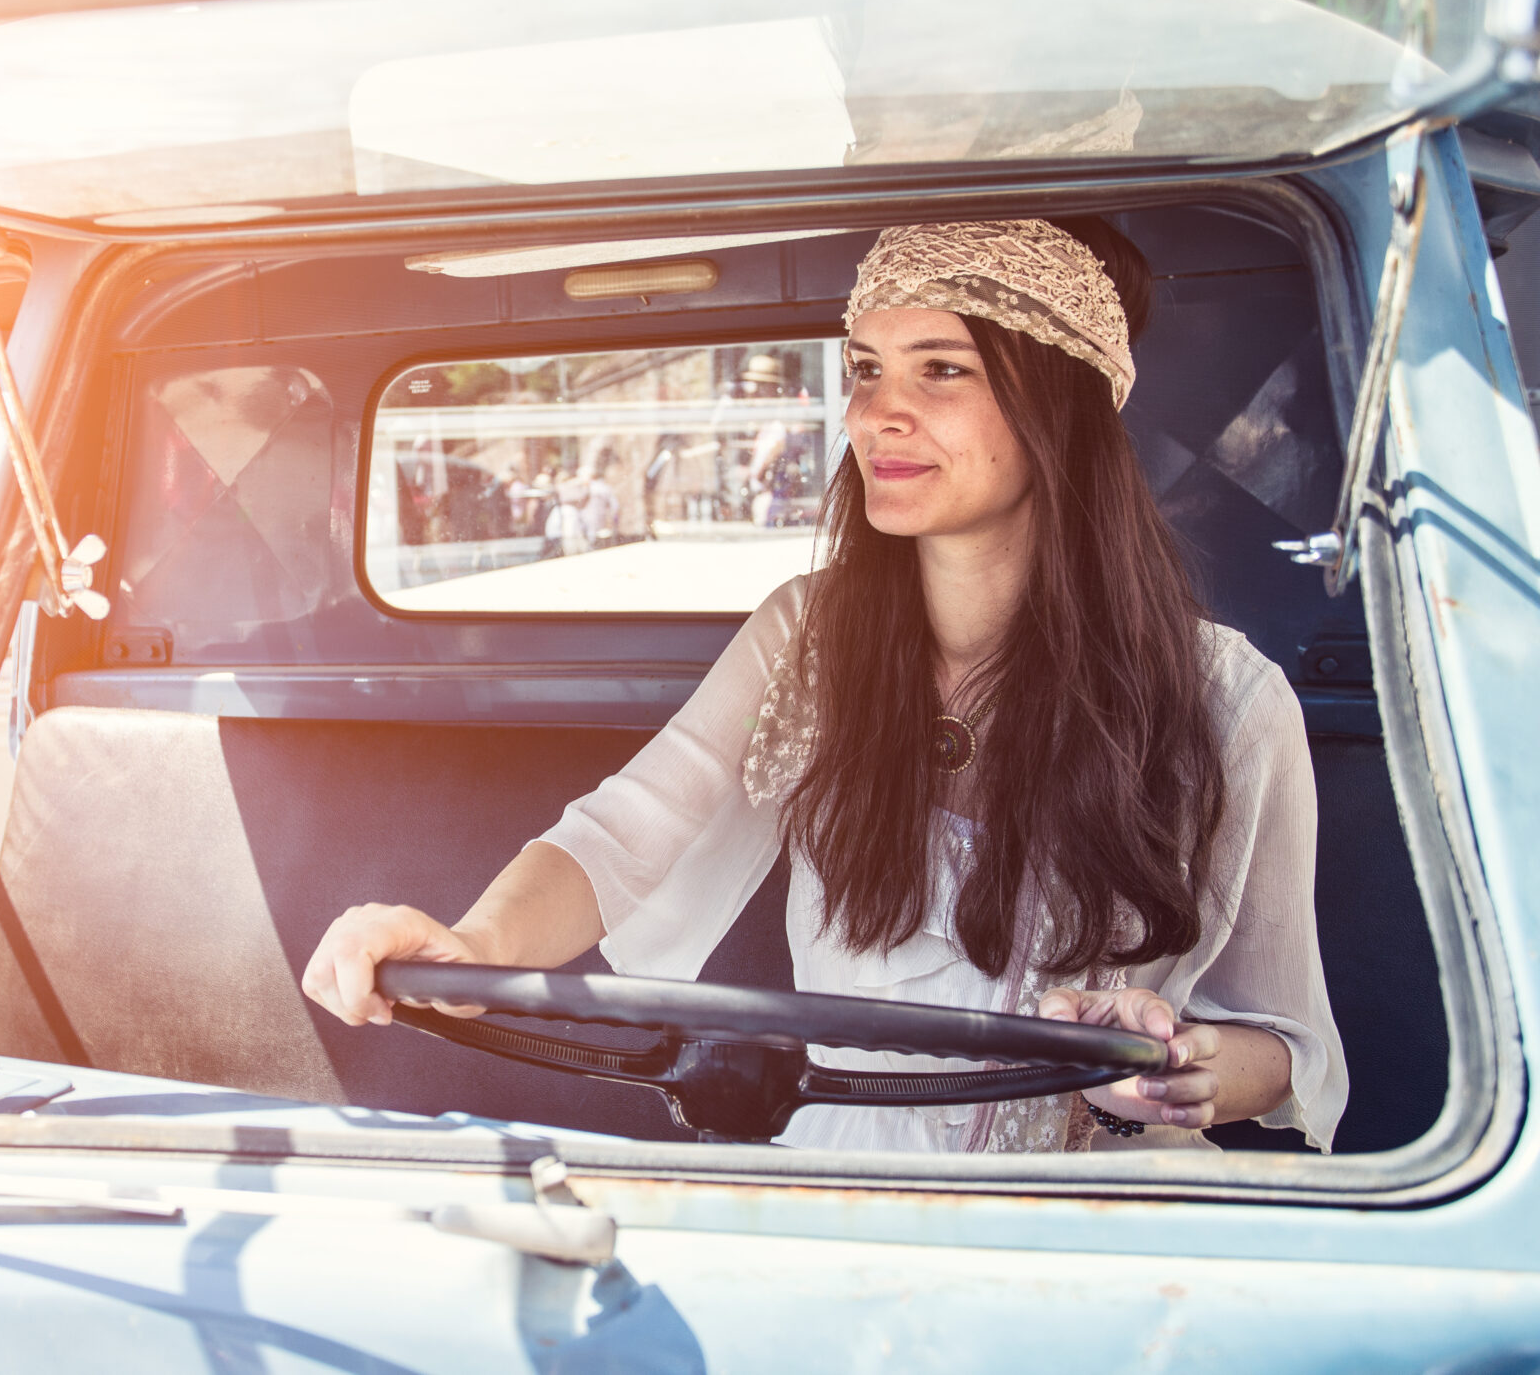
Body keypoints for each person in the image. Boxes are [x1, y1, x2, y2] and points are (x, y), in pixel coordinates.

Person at [304, 218, 1346, 1154]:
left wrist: (1177, 1066)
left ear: (1059, 407)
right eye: (864, 369)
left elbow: (1285, 1046)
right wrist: (469, 946)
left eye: (942, 370)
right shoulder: (806, 637)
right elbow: (621, 834)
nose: (878, 413)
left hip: (1105, 1212)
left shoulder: (1226, 699)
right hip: (851, 1175)